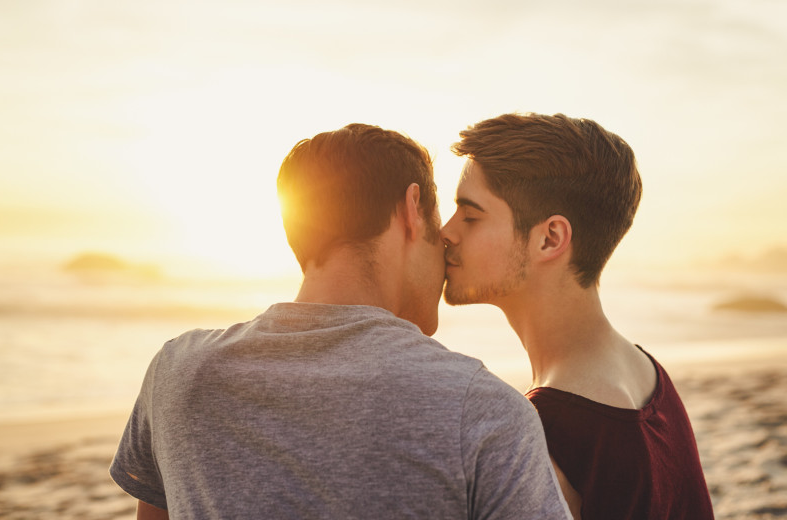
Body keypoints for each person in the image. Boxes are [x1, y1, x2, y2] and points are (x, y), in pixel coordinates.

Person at [110, 123, 572, 519]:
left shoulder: (176, 375)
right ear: (412, 211)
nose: (447, 244)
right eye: (439, 225)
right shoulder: (484, 412)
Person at [440, 113, 715, 520]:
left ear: (550, 238)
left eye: (471, 216)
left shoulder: (553, 429)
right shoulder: (648, 375)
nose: (446, 231)